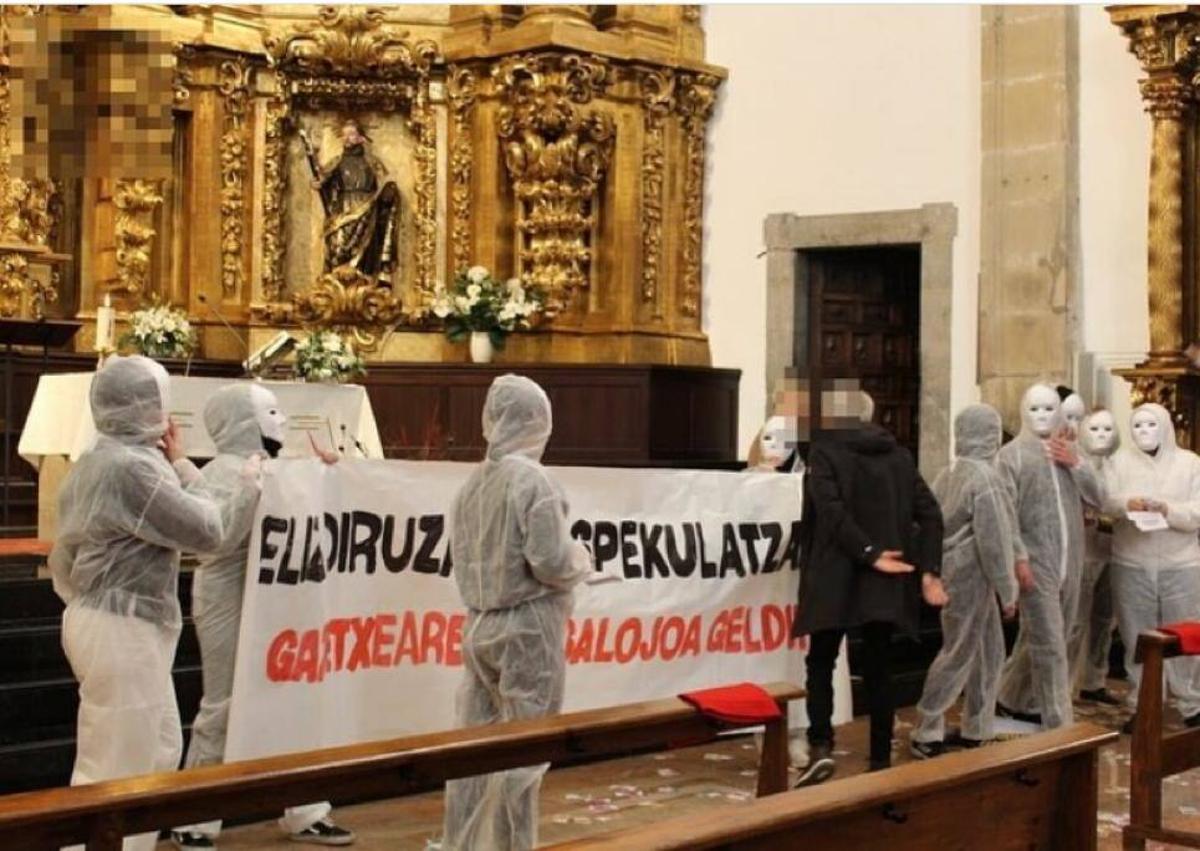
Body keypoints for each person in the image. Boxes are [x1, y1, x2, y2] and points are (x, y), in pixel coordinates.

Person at [49, 356, 258, 851]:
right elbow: (210, 532)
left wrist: (179, 463)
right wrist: (247, 487)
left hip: (109, 620)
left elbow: (65, 557)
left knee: (155, 749)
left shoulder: (102, 460)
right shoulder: (131, 469)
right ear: (146, 406)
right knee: (116, 759)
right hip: (120, 628)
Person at [170, 385, 353, 849]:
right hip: (226, 597)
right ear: (239, 423)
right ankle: (196, 815)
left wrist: (329, 475)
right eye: (270, 412)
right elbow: (214, 531)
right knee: (223, 702)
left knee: (292, 695)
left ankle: (305, 809)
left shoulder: (271, 470)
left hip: (275, 598)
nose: (282, 421)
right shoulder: (233, 472)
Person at [442, 375, 592, 850]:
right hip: (528, 629)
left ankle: (462, 844)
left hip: (479, 625)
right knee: (524, 755)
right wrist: (582, 559)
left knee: (473, 751)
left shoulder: (472, 484)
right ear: (538, 421)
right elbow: (550, 561)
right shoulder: (534, 480)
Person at [792, 388, 946, 785]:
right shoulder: (898, 456)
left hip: (835, 572)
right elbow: (930, 514)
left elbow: (830, 512)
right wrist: (928, 570)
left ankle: (821, 745)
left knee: (822, 659)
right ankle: (880, 756)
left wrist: (868, 551)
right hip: (884, 576)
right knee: (880, 664)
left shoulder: (825, 454)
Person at [910, 404, 1020, 758]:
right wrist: (1008, 589)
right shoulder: (987, 480)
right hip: (973, 574)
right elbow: (995, 540)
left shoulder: (950, 473)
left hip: (953, 569)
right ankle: (926, 729)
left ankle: (978, 725)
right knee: (959, 652)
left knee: (989, 652)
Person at [996, 383, 1102, 730]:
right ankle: (1061, 725)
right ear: (1023, 411)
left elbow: (1099, 497)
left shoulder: (1068, 451)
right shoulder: (1011, 456)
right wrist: (1018, 559)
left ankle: (1008, 697)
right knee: (1051, 645)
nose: (1042, 416)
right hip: (1035, 564)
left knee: (1051, 635)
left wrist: (1077, 463)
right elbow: (1005, 515)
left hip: (1071, 561)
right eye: (1034, 409)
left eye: (1048, 409)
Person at [1104, 403, 1200, 729]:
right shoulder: (1117, 462)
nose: (1144, 432)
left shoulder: (1190, 464)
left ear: (1165, 427)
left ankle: (1191, 703)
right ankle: (1144, 705)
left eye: (1150, 425)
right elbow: (1105, 499)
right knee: (1137, 636)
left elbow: (1197, 512)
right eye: (1138, 426)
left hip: (1180, 562)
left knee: (1186, 635)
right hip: (1132, 561)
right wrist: (1128, 503)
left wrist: (1167, 509)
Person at [1071, 408, 1121, 706]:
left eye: (1107, 429)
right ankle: (1065, 685)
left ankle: (1094, 680)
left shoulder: (1117, 466)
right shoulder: (1077, 465)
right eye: (1095, 429)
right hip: (1084, 551)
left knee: (1105, 619)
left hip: (1113, 549)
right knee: (1076, 620)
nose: (1102, 435)